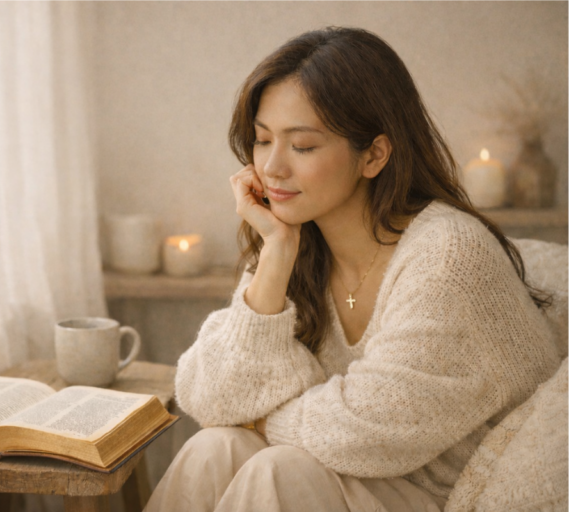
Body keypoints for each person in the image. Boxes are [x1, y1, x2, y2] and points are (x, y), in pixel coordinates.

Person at [144, 27, 561, 512]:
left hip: (452, 499)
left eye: (301, 146)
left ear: (374, 154)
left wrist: (261, 420)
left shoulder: (450, 257)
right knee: (216, 447)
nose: (272, 167)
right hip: (352, 480)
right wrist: (276, 255)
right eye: (262, 140)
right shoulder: (297, 238)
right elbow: (209, 397)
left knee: (279, 471)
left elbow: (368, 428)